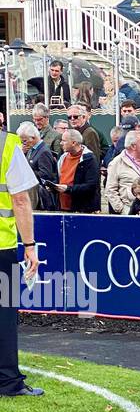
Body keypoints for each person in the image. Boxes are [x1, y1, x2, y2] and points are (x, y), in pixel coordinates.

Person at [0, 123, 43, 396]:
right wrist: (30, 245)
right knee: (4, 312)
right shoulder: (7, 144)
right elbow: (21, 199)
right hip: (2, 244)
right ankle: (8, 380)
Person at [54, 129, 101, 213]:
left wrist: (68, 189)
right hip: (61, 207)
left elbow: (91, 186)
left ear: (73, 143)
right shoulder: (62, 158)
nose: (61, 143)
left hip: (81, 210)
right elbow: (58, 178)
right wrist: (53, 186)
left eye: (64, 141)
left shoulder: (89, 159)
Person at [16, 122, 59, 210]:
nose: (23, 144)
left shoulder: (44, 152)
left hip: (40, 198)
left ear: (33, 138)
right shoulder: (31, 150)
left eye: (24, 141)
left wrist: (27, 172)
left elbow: (46, 174)